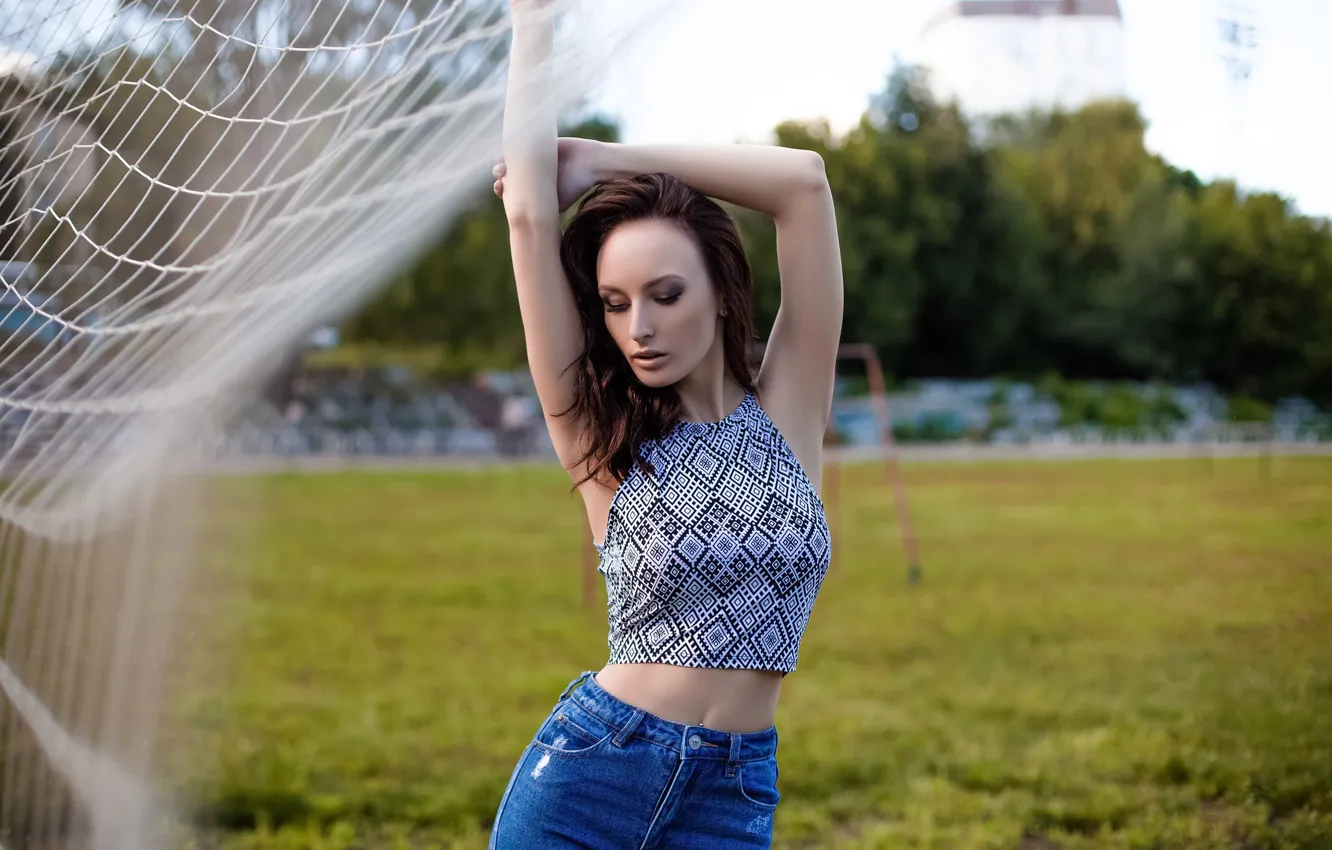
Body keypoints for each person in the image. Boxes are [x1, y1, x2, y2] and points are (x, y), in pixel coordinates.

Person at [489, 2, 843, 847]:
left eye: (664, 294)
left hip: (732, 791)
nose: (637, 326)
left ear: (718, 293)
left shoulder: (787, 413)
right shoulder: (598, 434)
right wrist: (533, 23)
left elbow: (805, 185)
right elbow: (532, 215)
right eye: (614, 304)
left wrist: (615, 161)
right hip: (590, 778)